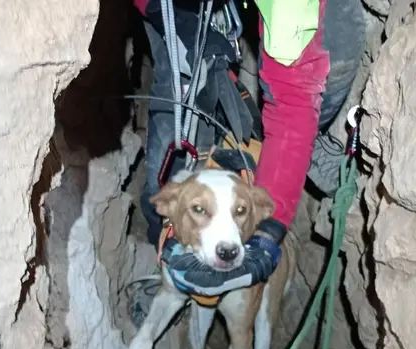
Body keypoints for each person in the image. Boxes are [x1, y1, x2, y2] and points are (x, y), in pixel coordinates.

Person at [129, 0, 365, 325]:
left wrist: (269, 230)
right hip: (176, 9)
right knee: (172, 121)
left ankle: (313, 139)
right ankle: (169, 269)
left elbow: (292, 100)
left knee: (326, 57)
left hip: (288, 15)